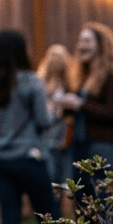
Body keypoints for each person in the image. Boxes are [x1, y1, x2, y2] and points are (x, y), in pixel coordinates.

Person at [0, 31, 64, 224]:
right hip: (29, 157)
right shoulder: (31, 81)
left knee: (10, 215)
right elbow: (43, 121)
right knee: (47, 214)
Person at [64, 22, 113, 203]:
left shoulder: (112, 76)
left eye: (87, 41)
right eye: (80, 41)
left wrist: (80, 104)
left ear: (101, 45)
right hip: (80, 146)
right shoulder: (83, 76)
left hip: (103, 148)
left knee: (103, 204)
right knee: (82, 203)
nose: (81, 45)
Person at [36, 44, 78, 188]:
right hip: (47, 131)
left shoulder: (70, 83)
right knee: (49, 173)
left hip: (65, 130)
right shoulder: (41, 82)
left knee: (66, 176)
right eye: (53, 57)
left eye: (59, 57)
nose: (56, 61)